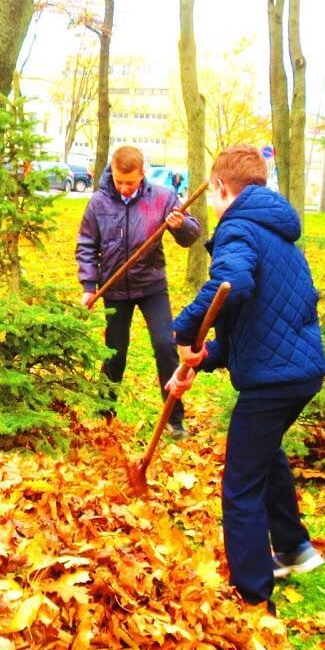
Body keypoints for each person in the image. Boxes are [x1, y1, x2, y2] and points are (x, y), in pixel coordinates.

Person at [168, 143, 325, 611]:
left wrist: (184, 328)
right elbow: (261, 320)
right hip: (299, 373)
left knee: (240, 483)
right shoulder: (276, 230)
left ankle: (253, 596)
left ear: (220, 188)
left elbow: (231, 286)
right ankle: (295, 546)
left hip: (274, 381)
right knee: (265, 452)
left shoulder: (238, 228)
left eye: (214, 196)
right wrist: (206, 356)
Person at [76, 145, 203, 438]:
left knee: (164, 346)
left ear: (142, 174)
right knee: (115, 352)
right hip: (115, 288)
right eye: (119, 181)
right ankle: (103, 414)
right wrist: (88, 286)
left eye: (129, 182)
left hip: (151, 285)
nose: (123, 187)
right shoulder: (99, 202)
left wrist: (180, 225)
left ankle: (174, 420)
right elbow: (86, 245)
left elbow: (192, 234)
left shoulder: (161, 197)